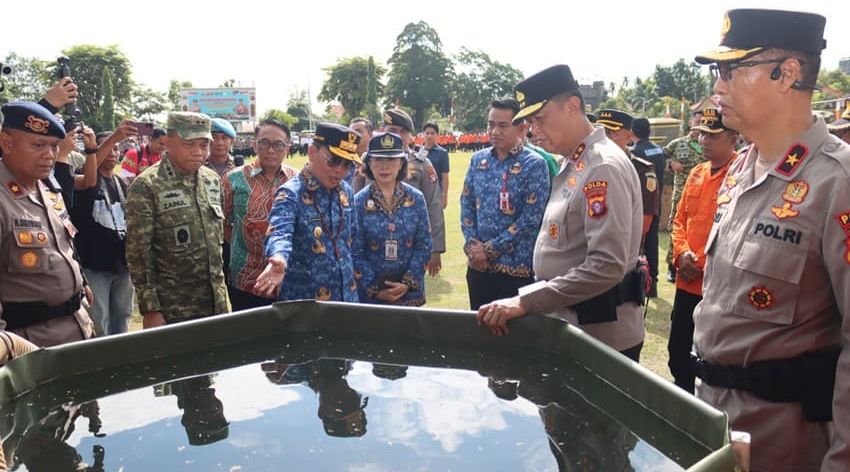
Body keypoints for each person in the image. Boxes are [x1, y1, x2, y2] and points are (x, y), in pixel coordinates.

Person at [692, 9, 850, 471]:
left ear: (788, 73)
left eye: (730, 71)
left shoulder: (836, 182)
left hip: (784, 441)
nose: (717, 88)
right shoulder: (742, 167)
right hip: (715, 421)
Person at [477, 65, 646, 362]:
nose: (532, 130)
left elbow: (606, 265)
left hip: (600, 339)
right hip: (576, 328)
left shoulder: (601, 166)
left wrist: (526, 301)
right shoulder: (576, 162)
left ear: (572, 106)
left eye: (539, 118)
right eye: (528, 121)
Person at [0, 102, 95, 347]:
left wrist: (80, 282)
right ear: (6, 143)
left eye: (54, 146)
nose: (50, 155)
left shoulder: (49, 189)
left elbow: (63, 246)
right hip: (30, 346)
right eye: (38, 145)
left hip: (77, 329)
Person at [125, 112, 231, 328]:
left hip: (215, 304)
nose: (198, 152)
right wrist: (151, 308)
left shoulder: (211, 180)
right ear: (168, 142)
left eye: (203, 144)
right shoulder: (147, 186)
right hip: (172, 309)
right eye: (189, 144)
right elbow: (138, 253)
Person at [667, 108, 737, 393]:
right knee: (678, 352)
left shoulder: (740, 176)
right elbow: (680, 219)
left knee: (710, 360)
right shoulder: (696, 173)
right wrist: (681, 253)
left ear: (733, 137)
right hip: (687, 281)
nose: (704, 141)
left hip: (716, 287)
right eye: (703, 134)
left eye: (713, 135)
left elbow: (735, 233)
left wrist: (703, 264)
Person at [255, 123, 361, 302]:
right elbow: (280, 232)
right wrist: (279, 257)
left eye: (347, 164)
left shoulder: (346, 192)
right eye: (333, 160)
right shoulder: (290, 193)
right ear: (312, 152)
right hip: (307, 304)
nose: (340, 170)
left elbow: (353, 240)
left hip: (346, 299)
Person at [461, 98, 550, 309]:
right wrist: (473, 247)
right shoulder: (478, 160)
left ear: (521, 127)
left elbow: (530, 219)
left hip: (514, 270)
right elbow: (466, 205)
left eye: (503, 126)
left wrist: (490, 250)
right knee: (480, 330)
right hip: (478, 267)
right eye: (491, 124)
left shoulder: (534, 165)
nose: (494, 131)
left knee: (513, 338)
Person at [222, 119, 297, 310]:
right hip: (245, 278)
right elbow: (223, 223)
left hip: (288, 277)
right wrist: (246, 244)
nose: (271, 150)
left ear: (287, 147)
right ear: (254, 145)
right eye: (264, 143)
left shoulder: (297, 180)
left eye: (278, 144)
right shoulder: (233, 179)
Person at [353, 132, 433, 306]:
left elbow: (424, 244)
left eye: (391, 160)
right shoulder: (358, 202)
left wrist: (406, 283)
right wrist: (377, 289)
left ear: (401, 164)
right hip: (372, 297)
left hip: (409, 294)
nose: (384, 167)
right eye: (378, 160)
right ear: (368, 164)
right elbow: (355, 251)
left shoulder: (416, 198)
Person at [72, 130, 135, 335]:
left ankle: (122, 361)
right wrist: (114, 137)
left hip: (122, 264)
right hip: (94, 265)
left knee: (123, 317)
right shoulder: (85, 180)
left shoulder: (123, 182)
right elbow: (88, 168)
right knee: (99, 321)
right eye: (106, 147)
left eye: (116, 148)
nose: (112, 152)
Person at [382, 109, 446, 276]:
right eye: (392, 131)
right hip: (375, 246)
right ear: (383, 132)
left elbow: (434, 205)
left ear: (410, 136)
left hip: (412, 246)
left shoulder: (422, 164)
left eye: (403, 132)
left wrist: (436, 249)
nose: (397, 136)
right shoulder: (368, 162)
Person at [596, 110, 659, 246]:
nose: (604, 139)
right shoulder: (590, 165)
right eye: (601, 133)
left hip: (623, 248)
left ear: (629, 135)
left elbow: (644, 221)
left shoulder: (641, 169)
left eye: (611, 133)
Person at [663, 112, 704, 282]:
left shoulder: (709, 143)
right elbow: (660, 156)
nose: (700, 123)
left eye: (703, 121)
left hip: (703, 193)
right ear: (691, 121)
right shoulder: (678, 143)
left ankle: (697, 263)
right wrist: (670, 164)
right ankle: (673, 266)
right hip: (681, 192)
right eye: (697, 120)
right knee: (676, 226)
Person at [630, 117, 665, 297]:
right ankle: (654, 282)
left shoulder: (636, 152)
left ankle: (644, 282)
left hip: (642, 204)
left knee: (640, 245)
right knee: (653, 242)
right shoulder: (658, 149)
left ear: (632, 131)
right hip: (655, 202)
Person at [420, 122, 450, 209]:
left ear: (437, 135)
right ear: (423, 134)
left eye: (432, 133)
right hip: (420, 191)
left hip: (435, 192)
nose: (429, 136)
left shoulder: (442, 153)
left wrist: (444, 196)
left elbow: (445, 177)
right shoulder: (417, 151)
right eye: (427, 133)